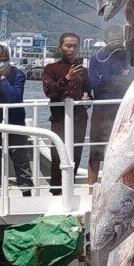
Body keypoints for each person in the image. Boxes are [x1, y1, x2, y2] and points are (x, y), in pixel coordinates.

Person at [0, 44, 33, 197]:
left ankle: (26, 193)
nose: (1, 63)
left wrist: (3, 80)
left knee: (21, 159)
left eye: (4, 60)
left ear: (9, 60)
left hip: (16, 122)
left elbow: (14, 98)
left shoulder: (19, 75)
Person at [42, 32, 92, 195]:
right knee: (58, 156)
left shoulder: (83, 71)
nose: (71, 49)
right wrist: (67, 78)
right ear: (60, 47)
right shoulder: (51, 69)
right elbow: (50, 92)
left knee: (76, 155)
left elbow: (88, 93)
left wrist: (87, 99)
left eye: (75, 46)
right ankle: (56, 192)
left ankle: (69, 189)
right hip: (59, 119)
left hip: (79, 119)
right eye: (68, 46)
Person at [87, 25, 134, 185]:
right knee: (95, 151)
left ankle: (116, 185)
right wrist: (117, 77)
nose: (117, 43)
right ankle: (92, 188)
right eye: (113, 39)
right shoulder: (97, 58)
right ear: (105, 40)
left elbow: (131, 81)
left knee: (121, 150)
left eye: (119, 39)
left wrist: (105, 78)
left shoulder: (130, 58)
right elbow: (94, 82)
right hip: (101, 111)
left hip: (124, 111)